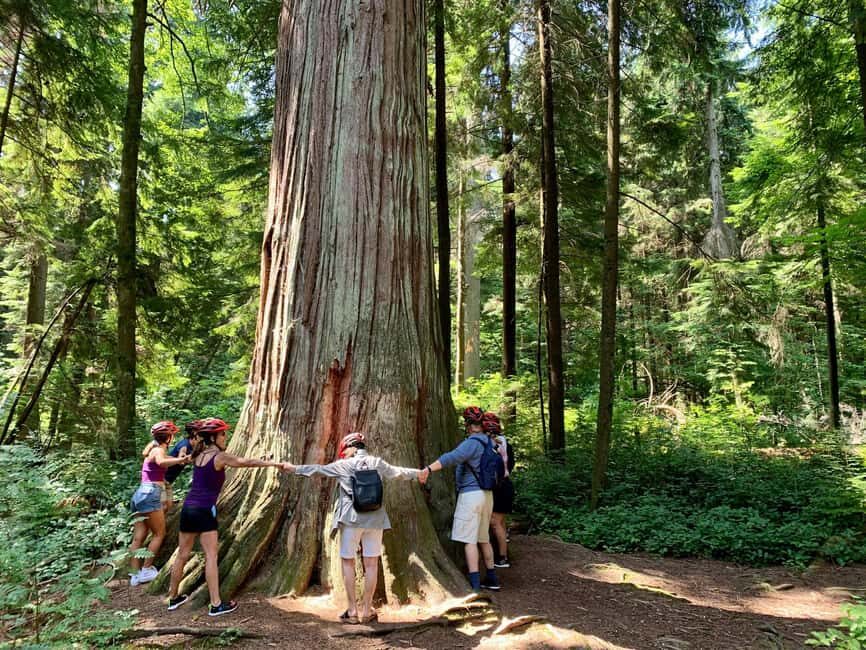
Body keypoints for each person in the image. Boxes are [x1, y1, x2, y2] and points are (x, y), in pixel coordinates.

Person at [283, 432, 424, 624]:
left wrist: (294, 468)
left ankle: (352, 610)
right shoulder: (376, 462)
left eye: (344, 450)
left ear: (350, 447)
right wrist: (419, 473)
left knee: (348, 562)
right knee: (372, 564)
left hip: (351, 519)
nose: (344, 454)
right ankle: (366, 610)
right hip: (375, 519)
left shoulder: (344, 465)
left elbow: (318, 469)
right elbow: (397, 472)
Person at [166, 417, 288, 616]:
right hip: (205, 510)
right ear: (213, 437)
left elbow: (187, 459)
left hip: (188, 508)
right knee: (211, 556)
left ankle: (173, 598)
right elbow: (245, 462)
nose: (226, 436)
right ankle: (215, 604)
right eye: (223, 433)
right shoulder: (218, 457)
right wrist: (273, 463)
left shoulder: (198, 454)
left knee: (182, 554)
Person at [418, 406, 500, 592]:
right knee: (483, 539)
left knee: (469, 540)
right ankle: (492, 578)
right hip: (487, 496)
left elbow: (452, 457)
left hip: (471, 496)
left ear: (469, 425)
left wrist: (428, 469)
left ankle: (474, 584)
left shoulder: (472, 443)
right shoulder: (489, 442)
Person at [129, 420, 191, 586]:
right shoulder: (157, 450)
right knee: (159, 534)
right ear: (169, 437)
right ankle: (146, 570)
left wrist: (183, 459)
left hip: (140, 494)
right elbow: (162, 462)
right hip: (150, 494)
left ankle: (134, 574)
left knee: (138, 537)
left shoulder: (155, 450)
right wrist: (179, 461)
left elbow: (169, 459)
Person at [483, 412, 515, 568]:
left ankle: (502, 558)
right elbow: (511, 465)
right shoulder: (506, 444)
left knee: (495, 523)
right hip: (506, 485)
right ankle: (503, 555)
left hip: (500, 487)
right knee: (500, 522)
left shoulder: (493, 444)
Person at [163, 419, 201, 509]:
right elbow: (182, 460)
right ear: (195, 434)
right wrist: (192, 458)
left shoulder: (192, 445)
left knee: (167, 505)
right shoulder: (184, 446)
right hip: (162, 479)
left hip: (168, 480)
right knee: (163, 506)